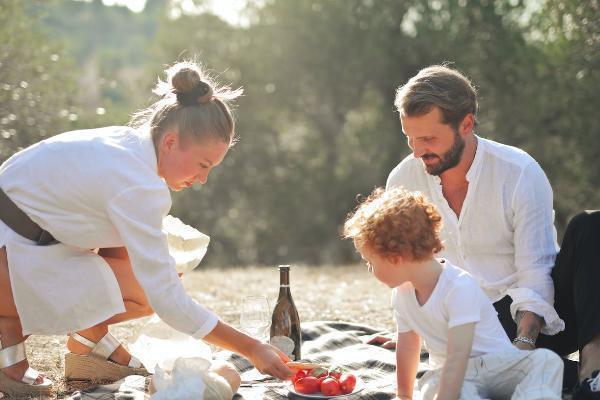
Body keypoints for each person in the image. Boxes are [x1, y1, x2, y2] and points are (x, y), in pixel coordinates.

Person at [0, 60, 293, 397]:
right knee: (148, 291)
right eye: (202, 165)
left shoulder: (127, 145)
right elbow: (167, 299)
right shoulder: (138, 185)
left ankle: (88, 340)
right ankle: (8, 328)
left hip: (19, 243)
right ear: (170, 142)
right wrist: (253, 348)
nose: (202, 180)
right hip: (10, 252)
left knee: (155, 261)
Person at [381, 64, 600, 397]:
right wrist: (412, 328)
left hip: (534, 314)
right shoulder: (402, 181)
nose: (417, 150)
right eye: (410, 138)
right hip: (463, 326)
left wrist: (521, 347)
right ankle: (540, 375)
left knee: (591, 225)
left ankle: (592, 369)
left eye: (428, 138)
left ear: (466, 124)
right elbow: (407, 268)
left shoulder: (519, 171)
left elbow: (536, 274)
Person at [343, 187, 563, 400]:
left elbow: (458, 357)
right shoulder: (402, 295)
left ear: (395, 258)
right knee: (430, 384)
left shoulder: (458, 287)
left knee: (546, 361)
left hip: (498, 366)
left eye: (370, 261)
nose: (369, 269)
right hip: (451, 375)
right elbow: (409, 346)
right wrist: (404, 395)